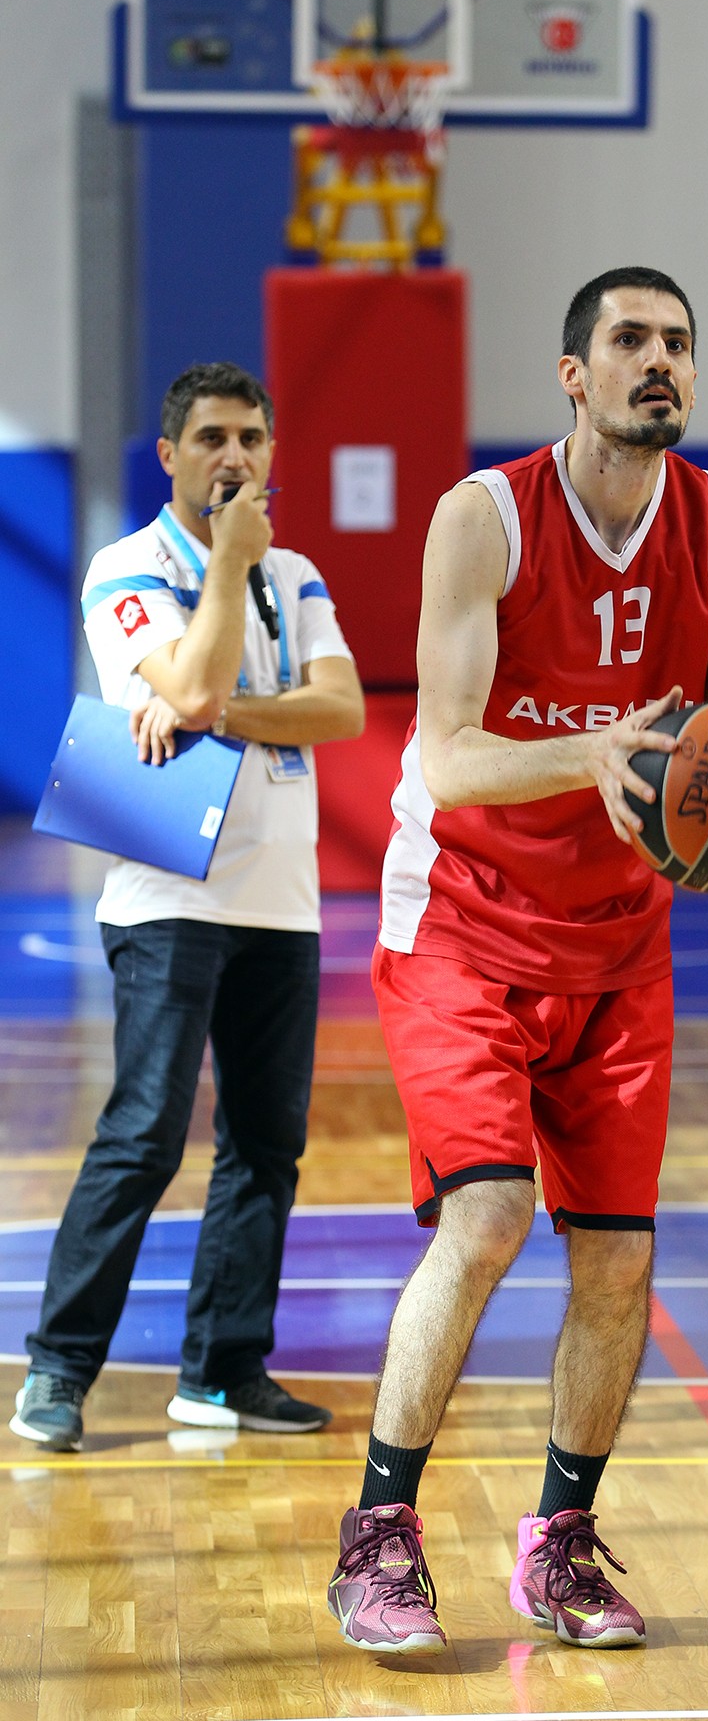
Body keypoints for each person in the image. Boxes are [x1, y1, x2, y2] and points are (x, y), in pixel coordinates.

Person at [326, 268, 708, 1654]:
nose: (659, 361)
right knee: (488, 1220)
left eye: (679, 344)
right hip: (465, 919)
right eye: (630, 340)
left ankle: (560, 1544)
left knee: (616, 1261)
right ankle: (379, 1534)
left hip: (618, 941)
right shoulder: (483, 518)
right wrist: (590, 753)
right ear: (573, 373)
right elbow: (445, 757)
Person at [10, 362, 364, 1452]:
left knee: (266, 1145)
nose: (236, 458)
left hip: (282, 902)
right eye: (213, 438)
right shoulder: (128, 567)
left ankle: (222, 1371)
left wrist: (225, 709)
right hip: (167, 895)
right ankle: (60, 1369)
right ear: (170, 455)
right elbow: (195, 686)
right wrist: (231, 572)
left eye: (252, 438)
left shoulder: (297, 573)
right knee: (144, 1135)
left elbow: (341, 709)